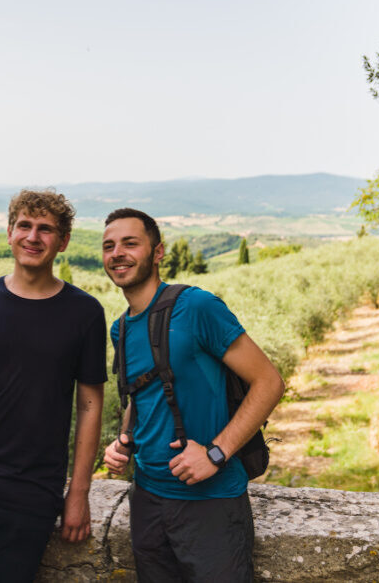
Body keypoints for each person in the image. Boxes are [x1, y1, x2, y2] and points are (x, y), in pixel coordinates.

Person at [100, 208, 284, 582]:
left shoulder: (197, 307)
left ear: (158, 252)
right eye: (109, 246)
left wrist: (215, 453)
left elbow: (269, 382)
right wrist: (124, 440)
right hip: (147, 501)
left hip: (211, 504)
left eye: (130, 243)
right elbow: (140, 399)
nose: (117, 252)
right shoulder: (120, 329)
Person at [0, 189, 107, 582]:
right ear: (9, 232)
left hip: (33, 492)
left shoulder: (85, 312)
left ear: (63, 241)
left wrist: (79, 493)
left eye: (46, 229)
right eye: (25, 226)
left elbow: (89, 407)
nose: (33, 237)